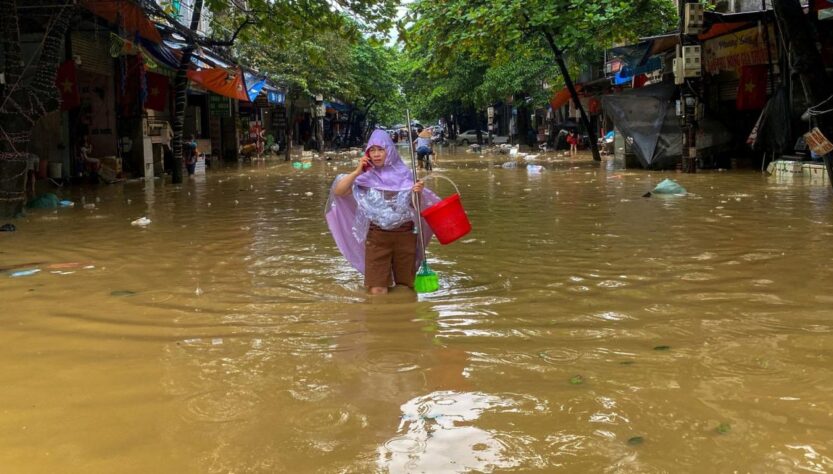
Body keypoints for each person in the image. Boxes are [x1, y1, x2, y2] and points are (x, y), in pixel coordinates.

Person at [326, 129, 439, 295]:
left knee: (405, 287)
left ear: (390, 151)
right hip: (377, 236)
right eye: (372, 150)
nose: (376, 154)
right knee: (377, 289)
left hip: (405, 235)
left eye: (381, 149)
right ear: (367, 153)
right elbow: (339, 192)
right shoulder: (365, 177)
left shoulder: (406, 175)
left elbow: (415, 207)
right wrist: (358, 171)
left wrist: (417, 192)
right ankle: (377, 317)